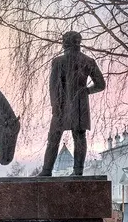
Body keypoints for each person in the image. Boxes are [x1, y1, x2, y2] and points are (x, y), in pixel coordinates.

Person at [39, 31, 105, 176]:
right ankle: (78, 171)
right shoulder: (88, 61)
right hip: (80, 105)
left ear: (65, 43)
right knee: (80, 137)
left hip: (61, 105)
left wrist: (55, 107)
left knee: (54, 138)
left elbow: (53, 87)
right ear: (78, 42)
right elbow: (100, 85)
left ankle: (46, 171)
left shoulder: (59, 61)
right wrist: (85, 91)